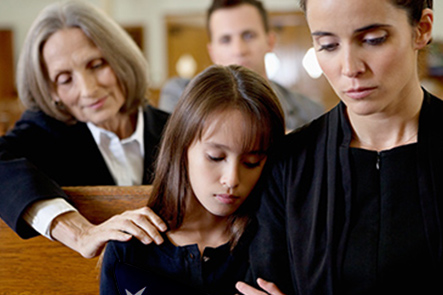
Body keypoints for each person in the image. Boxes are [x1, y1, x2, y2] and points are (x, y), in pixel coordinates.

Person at [237, 0, 443, 294]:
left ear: (421, 29)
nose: (350, 68)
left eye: (373, 40)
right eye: (328, 45)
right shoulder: (289, 162)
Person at [0, 0, 168, 259]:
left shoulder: (176, 128)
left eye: (97, 65)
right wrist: (80, 233)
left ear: (120, 59)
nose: (88, 90)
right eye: (65, 79)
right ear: (52, 92)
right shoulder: (44, 132)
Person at [100, 64, 286, 295]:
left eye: (251, 162)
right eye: (215, 157)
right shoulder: (130, 248)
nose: (232, 179)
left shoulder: (273, 244)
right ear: (181, 147)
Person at [158, 0, 324, 131]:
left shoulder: (311, 113)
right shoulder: (180, 95)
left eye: (248, 36)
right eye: (225, 40)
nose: (238, 50)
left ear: (270, 41)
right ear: (212, 51)